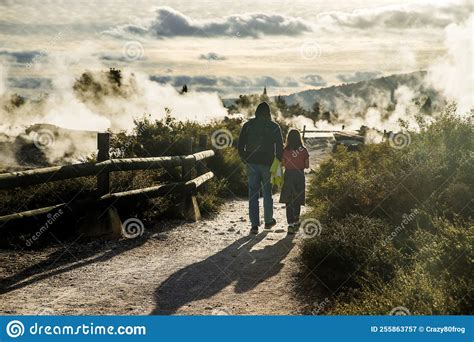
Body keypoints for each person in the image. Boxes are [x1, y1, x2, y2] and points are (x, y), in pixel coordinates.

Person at [238, 102, 284, 234]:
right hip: (268, 164)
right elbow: (280, 146)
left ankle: (254, 225)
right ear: (268, 113)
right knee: (267, 192)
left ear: (256, 112)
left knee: (253, 194)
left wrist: (244, 158)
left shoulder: (248, 125)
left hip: (251, 163)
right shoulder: (274, 126)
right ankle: (268, 221)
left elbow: (240, 144)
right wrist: (278, 161)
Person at [279, 129, 309, 234]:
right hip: (299, 175)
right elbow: (307, 165)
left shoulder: (285, 150)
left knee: (288, 200)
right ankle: (296, 221)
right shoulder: (304, 150)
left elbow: (282, 164)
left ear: (288, 138)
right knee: (298, 199)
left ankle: (290, 224)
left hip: (288, 175)